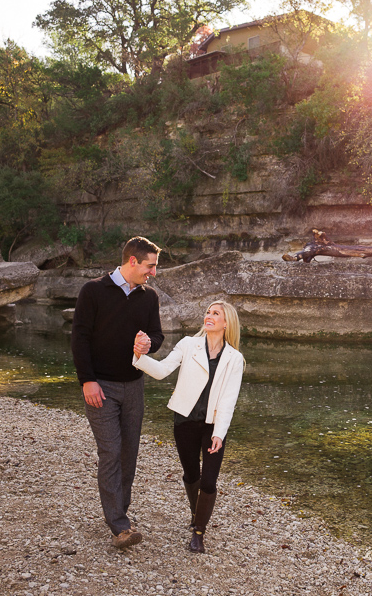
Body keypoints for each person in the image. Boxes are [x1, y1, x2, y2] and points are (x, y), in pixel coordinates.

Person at [71, 236, 164, 549]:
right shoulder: (93, 291)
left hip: (135, 386)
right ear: (133, 261)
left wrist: (149, 343)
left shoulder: (149, 297)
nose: (153, 273)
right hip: (101, 386)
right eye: (150, 266)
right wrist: (87, 380)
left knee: (128, 454)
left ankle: (118, 512)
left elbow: (157, 334)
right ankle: (120, 526)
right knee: (110, 451)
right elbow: (80, 338)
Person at [132, 300, 245, 554]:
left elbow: (229, 399)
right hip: (184, 421)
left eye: (216, 313)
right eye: (208, 312)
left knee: (209, 480)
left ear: (226, 323)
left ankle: (198, 533)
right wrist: (139, 356)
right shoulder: (187, 344)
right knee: (191, 474)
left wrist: (219, 433)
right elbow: (161, 371)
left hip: (213, 426)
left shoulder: (234, 358)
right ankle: (197, 514)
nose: (209, 316)